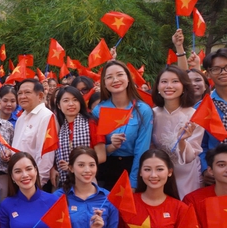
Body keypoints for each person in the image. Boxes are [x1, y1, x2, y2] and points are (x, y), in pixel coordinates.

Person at [91, 60, 153, 190]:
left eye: (120, 75)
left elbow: (142, 150)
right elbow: (96, 149)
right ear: (104, 83)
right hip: (105, 170)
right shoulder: (98, 111)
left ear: (128, 78)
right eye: (109, 77)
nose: (115, 80)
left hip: (133, 167)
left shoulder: (143, 110)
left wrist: (133, 182)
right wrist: (110, 146)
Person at [151, 65, 203, 198]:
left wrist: (182, 141)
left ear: (184, 86)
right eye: (164, 81)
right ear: (158, 87)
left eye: (175, 81)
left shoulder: (195, 116)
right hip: (157, 174)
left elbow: (189, 157)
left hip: (186, 175)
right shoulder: (152, 114)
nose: (169, 86)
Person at [52, 86, 106, 188]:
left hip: (88, 179)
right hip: (65, 182)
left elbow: (101, 156)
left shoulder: (91, 123)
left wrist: (74, 166)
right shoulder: (59, 126)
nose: (71, 104)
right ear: (58, 105)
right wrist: (54, 168)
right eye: (66, 101)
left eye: (75, 100)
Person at [12, 79, 55, 187]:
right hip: (19, 180)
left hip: (34, 183)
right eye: (20, 93)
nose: (22, 96)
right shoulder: (21, 118)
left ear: (40, 96)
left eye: (27, 92)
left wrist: (38, 183)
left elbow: (46, 156)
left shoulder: (46, 116)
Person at [201, 49, 227, 184]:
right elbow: (200, 144)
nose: (223, 72)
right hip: (218, 173)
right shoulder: (203, 106)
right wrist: (205, 168)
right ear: (208, 73)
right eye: (216, 69)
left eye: (226, 67)